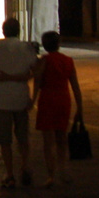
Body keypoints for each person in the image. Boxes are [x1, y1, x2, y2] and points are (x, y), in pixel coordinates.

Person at [0, 17, 37, 189]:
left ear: (3, 31)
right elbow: (35, 71)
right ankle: (25, 166)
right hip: (21, 98)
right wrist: (33, 98)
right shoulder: (26, 48)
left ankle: (10, 174)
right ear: (18, 30)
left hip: (3, 100)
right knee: (22, 137)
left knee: (4, 140)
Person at [33, 31, 84, 187]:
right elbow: (75, 86)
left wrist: (31, 101)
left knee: (48, 142)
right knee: (61, 138)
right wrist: (80, 108)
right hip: (63, 100)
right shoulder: (68, 61)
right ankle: (63, 169)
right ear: (58, 43)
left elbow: (37, 83)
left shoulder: (44, 61)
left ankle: (51, 175)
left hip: (47, 100)